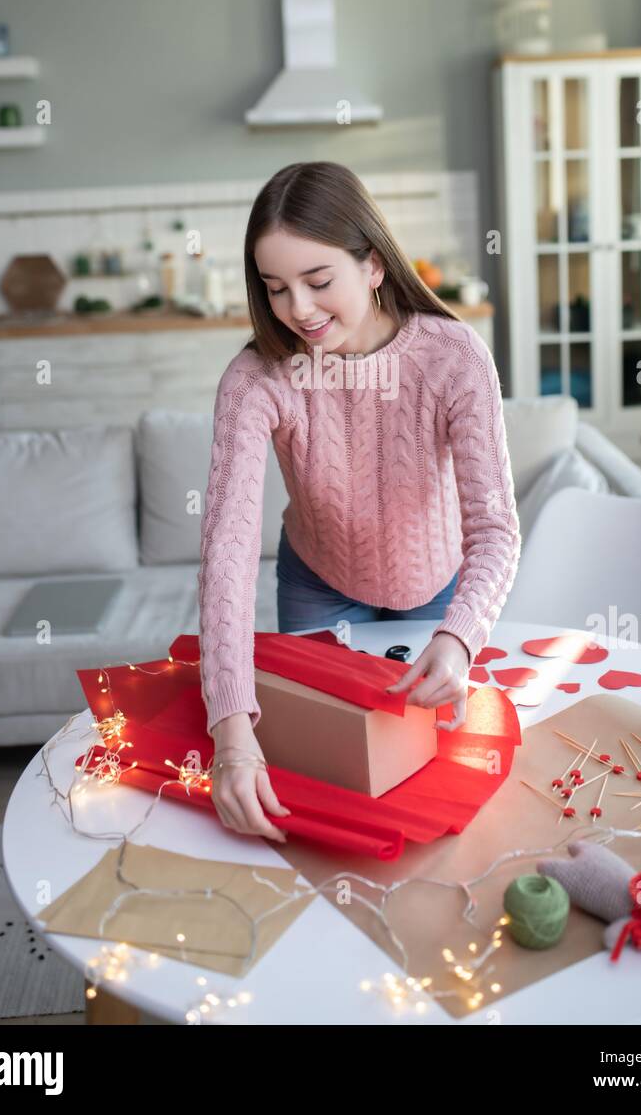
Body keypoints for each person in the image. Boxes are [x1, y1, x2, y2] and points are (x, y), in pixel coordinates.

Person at [198, 161, 521, 843]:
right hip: (318, 583)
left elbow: (495, 530)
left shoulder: (454, 357)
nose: (299, 310)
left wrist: (459, 639)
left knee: (426, 785)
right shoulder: (256, 379)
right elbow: (227, 552)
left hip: (436, 590)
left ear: (373, 265)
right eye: (276, 288)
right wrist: (230, 729)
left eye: (318, 282)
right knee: (325, 771)